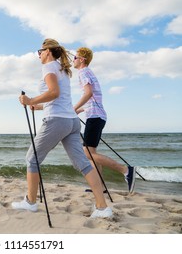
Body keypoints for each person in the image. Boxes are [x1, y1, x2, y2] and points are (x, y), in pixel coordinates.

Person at [12, 38, 112, 218]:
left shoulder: (49, 67)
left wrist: (30, 101)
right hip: (71, 121)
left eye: (40, 51)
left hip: (57, 120)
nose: (39, 55)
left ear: (48, 51)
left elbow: (54, 93)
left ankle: (31, 202)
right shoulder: (62, 69)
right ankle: (103, 208)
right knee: (83, 163)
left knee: (32, 159)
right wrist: (39, 106)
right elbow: (58, 99)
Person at [73, 47, 135, 193]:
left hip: (95, 117)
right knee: (92, 152)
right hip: (97, 115)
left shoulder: (83, 72)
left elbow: (89, 93)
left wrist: (73, 107)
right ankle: (100, 187)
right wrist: (80, 109)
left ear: (82, 59)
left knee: (87, 154)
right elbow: (93, 99)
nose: (73, 60)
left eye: (75, 57)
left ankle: (126, 170)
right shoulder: (88, 72)